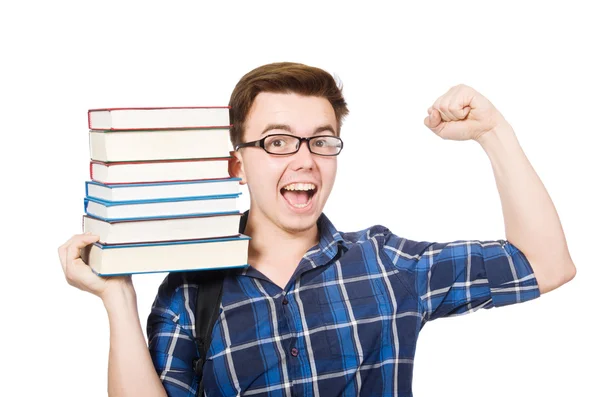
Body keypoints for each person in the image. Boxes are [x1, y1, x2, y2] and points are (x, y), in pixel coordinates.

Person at [58, 62, 576, 397]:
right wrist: (117, 300)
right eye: (278, 142)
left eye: (321, 141)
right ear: (236, 163)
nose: (305, 160)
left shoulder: (386, 264)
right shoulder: (191, 290)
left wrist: (492, 133)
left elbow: (546, 265)